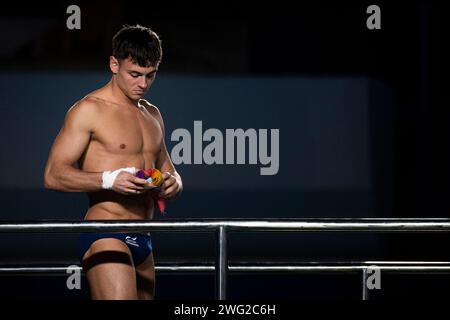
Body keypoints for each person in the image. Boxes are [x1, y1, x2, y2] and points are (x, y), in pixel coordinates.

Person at [43, 24, 183, 300]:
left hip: (144, 237)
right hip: (106, 233)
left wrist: (172, 183)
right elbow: (53, 175)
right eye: (134, 74)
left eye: (150, 76)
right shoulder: (89, 110)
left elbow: (170, 171)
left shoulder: (153, 114)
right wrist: (109, 179)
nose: (143, 84)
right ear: (113, 64)